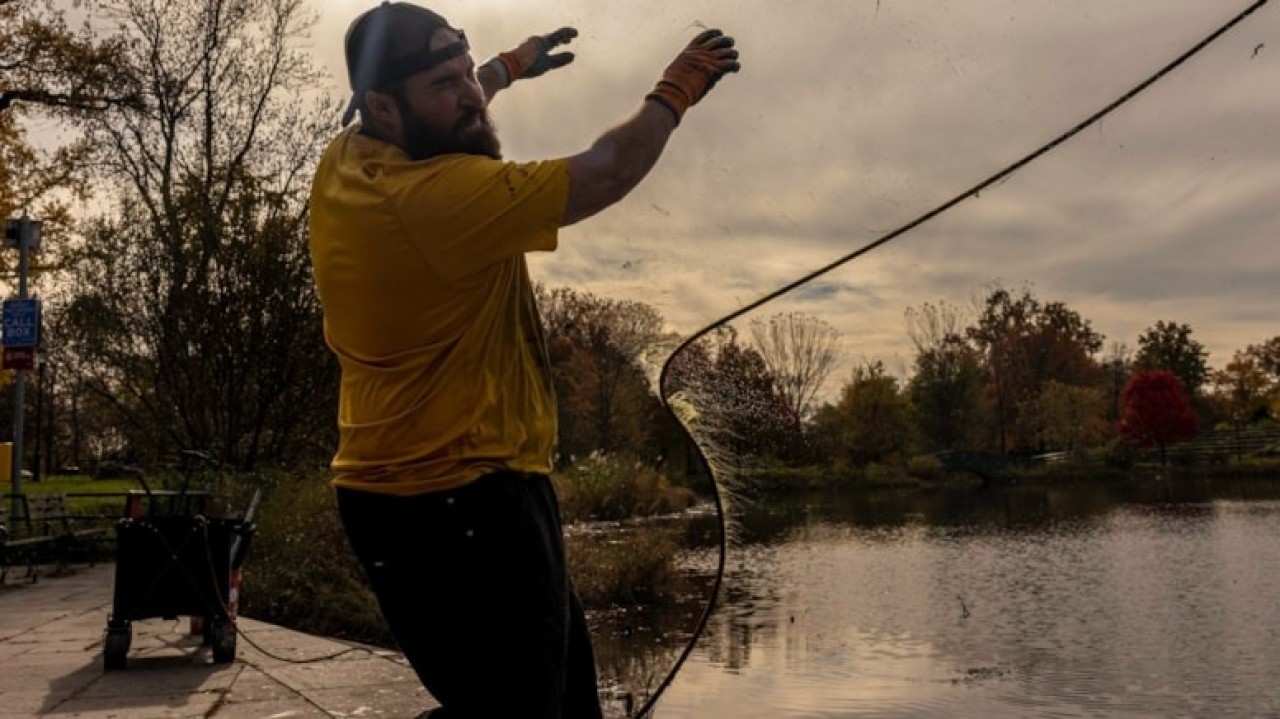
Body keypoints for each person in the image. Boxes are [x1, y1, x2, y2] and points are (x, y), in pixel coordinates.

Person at [307, 2, 740, 717]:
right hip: (461, 497)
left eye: (463, 73)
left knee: (555, 700)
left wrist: (508, 67)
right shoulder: (436, 199)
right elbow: (606, 172)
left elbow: (454, 97)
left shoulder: (350, 158)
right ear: (384, 106)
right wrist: (676, 89)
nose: (470, 96)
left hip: (404, 496)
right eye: (446, 86)